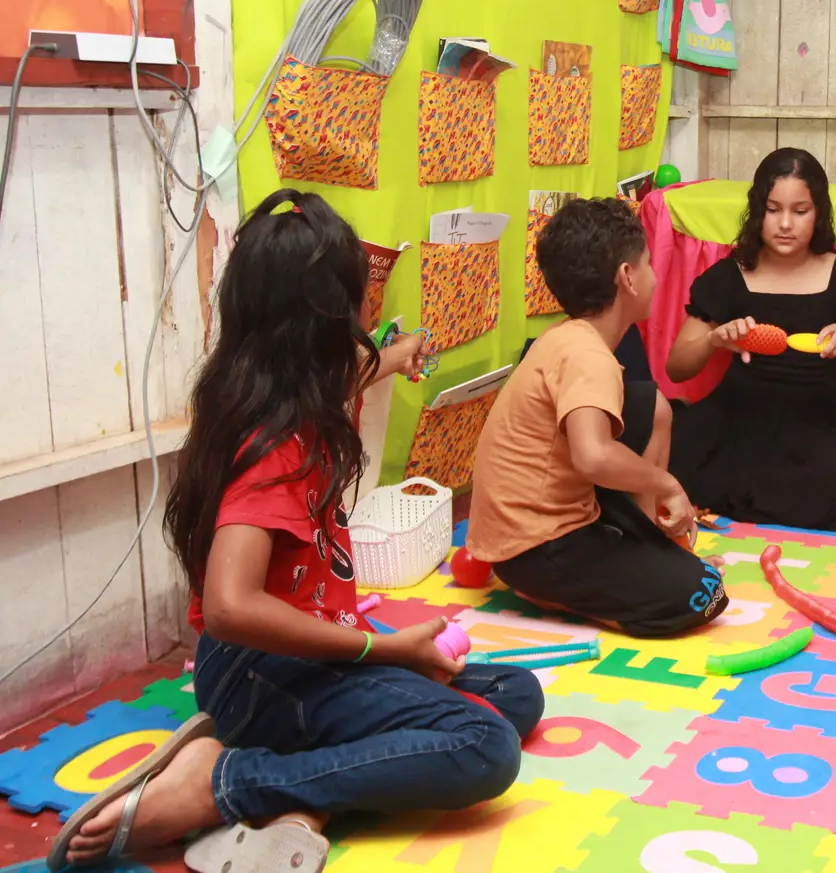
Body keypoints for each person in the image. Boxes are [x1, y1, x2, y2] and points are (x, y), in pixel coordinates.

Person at [50, 190, 545, 873]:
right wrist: (379, 648)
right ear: (327, 322)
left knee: (517, 694)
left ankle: (309, 791)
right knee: (484, 745)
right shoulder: (275, 445)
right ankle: (222, 783)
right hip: (261, 673)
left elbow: (361, 367)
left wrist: (401, 353)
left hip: (308, 660)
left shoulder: (285, 386)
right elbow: (229, 606)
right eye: (364, 300)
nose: (370, 314)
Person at [468, 197, 728, 637]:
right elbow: (592, 456)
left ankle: (647, 545)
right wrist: (668, 484)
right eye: (648, 263)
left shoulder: (569, 338)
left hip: (534, 529)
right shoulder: (587, 355)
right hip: (534, 547)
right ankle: (558, 595)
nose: (655, 275)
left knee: (649, 404)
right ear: (627, 277)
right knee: (705, 592)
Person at [666, 148, 836, 530]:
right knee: (661, 444)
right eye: (773, 210)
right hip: (736, 424)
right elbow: (676, 368)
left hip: (813, 432)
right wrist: (714, 340)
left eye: (800, 211)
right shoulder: (730, 275)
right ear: (757, 211)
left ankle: (744, 497)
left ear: (819, 213)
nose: (786, 224)